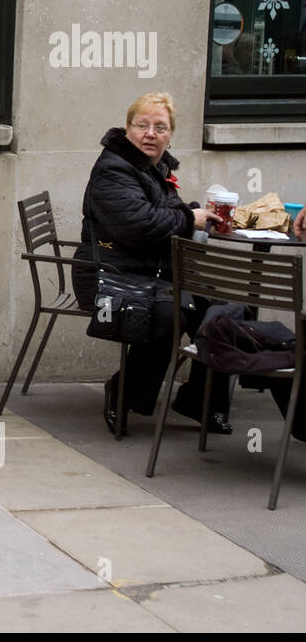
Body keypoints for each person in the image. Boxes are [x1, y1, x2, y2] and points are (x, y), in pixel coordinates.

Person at [71, 92, 229, 436]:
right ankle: (122, 392)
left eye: (160, 127)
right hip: (108, 274)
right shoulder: (113, 168)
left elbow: (159, 215)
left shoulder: (156, 167)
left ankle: (200, 401)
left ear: (170, 134)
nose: (150, 133)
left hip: (147, 269)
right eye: (142, 125)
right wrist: (190, 218)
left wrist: (192, 212)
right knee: (170, 312)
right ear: (128, 129)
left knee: (224, 307)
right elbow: (139, 225)